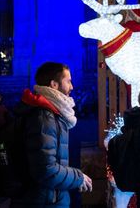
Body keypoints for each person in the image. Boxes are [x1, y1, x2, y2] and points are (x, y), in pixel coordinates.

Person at [10, 62, 92, 207]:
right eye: (68, 81)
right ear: (54, 84)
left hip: (49, 197)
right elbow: (46, 169)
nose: (72, 87)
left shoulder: (52, 113)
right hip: (45, 200)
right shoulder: (44, 117)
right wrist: (78, 177)